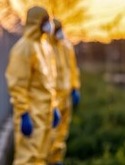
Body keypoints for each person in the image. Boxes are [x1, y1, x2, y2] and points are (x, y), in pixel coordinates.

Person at [5, 6, 59, 165]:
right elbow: (17, 84)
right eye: (45, 20)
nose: (49, 24)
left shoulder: (45, 47)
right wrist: (23, 113)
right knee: (27, 158)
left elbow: (48, 82)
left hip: (45, 113)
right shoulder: (23, 48)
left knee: (40, 156)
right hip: (31, 114)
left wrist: (54, 106)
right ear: (37, 22)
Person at [48, 19, 81, 165]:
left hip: (66, 94)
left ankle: (57, 159)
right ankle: (47, 159)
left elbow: (73, 69)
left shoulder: (67, 46)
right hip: (53, 97)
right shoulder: (46, 47)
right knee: (51, 131)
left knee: (62, 129)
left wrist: (75, 87)